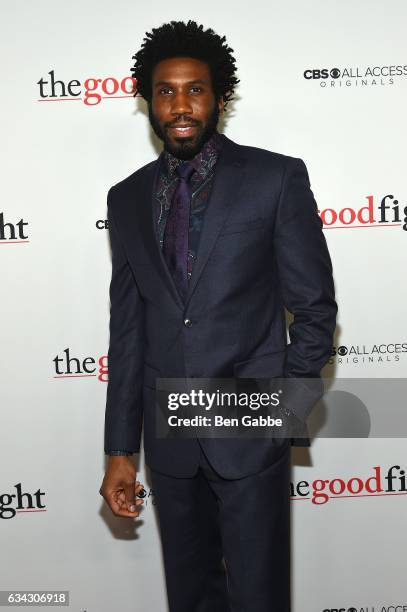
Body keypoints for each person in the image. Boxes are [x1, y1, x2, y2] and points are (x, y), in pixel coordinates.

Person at [99, 19, 337, 612]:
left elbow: (314, 309)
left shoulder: (275, 178)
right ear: (148, 101)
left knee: (259, 597)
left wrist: (281, 415)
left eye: (195, 89)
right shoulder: (125, 198)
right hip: (169, 437)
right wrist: (120, 451)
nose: (180, 104)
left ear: (219, 98)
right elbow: (127, 331)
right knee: (190, 598)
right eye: (166, 91)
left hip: (250, 432)